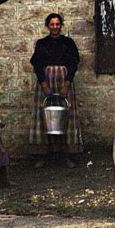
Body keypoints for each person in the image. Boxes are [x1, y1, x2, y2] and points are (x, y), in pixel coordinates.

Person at [27, 13, 84, 168]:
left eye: (57, 24)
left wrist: (66, 84)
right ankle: (43, 154)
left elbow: (73, 64)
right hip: (46, 83)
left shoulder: (68, 43)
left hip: (64, 82)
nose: (55, 27)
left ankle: (66, 154)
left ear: (61, 25)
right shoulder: (42, 43)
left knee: (65, 116)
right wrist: (44, 85)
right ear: (48, 26)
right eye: (52, 24)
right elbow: (37, 65)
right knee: (45, 118)